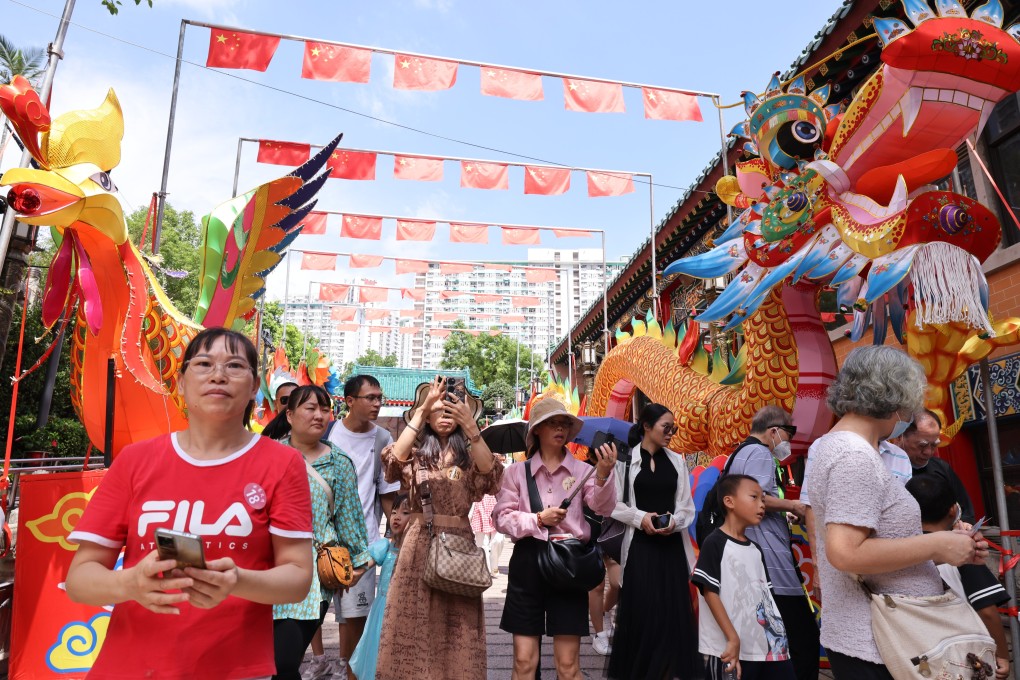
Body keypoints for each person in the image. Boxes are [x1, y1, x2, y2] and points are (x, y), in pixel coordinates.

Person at [65, 327, 314, 680]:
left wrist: (237, 580)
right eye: (203, 363)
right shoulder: (135, 460)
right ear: (181, 382)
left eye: (235, 366)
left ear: (255, 386)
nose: (218, 375)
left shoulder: (283, 464)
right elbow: (79, 579)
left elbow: (298, 577)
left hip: (234, 668)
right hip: (129, 666)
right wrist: (132, 582)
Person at [804, 345, 988, 680]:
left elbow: (878, 542)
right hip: (881, 642)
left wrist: (947, 548)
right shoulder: (853, 455)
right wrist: (936, 546)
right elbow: (846, 552)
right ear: (895, 397)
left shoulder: (844, 448)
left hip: (886, 636)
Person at [375, 377, 503, 679]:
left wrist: (472, 428)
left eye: (452, 410)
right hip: (418, 544)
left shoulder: (471, 454)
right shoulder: (417, 453)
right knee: (411, 620)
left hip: (459, 547)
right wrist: (421, 411)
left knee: (459, 626)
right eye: (437, 409)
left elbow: (491, 476)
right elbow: (393, 462)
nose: (444, 414)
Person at [495, 397, 617, 680]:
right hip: (528, 562)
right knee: (524, 662)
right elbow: (501, 517)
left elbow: (603, 507)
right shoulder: (515, 472)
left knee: (568, 666)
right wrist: (536, 519)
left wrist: (603, 476)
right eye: (552, 423)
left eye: (564, 424)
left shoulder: (583, 471)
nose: (560, 428)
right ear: (537, 429)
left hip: (568, 565)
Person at [262, 385, 373, 680]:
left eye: (325, 409)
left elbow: (349, 519)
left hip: (311, 576)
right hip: (265, 569)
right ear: (290, 415)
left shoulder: (339, 463)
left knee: (284, 662)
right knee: (278, 662)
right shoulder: (268, 456)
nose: (319, 415)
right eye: (310, 408)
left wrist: (357, 565)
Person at [607, 403, 703, 680]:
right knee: (644, 615)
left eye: (673, 428)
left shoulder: (677, 461)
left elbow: (687, 508)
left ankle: (664, 673)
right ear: (647, 427)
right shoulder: (625, 462)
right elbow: (613, 505)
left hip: (671, 548)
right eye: (666, 427)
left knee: (671, 619)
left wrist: (673, 521)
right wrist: (641, 518)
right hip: (640, 548)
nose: (671, 433)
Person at [724, 405, 818, 680]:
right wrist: (795, 506)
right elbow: (758, 498)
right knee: (803, 638)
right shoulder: (760, 453)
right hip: (771, 561)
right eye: (789, 434)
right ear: (775, 431)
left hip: (754, 555)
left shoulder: (740, 452)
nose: (789, 442)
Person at [326, 374, 398, 677]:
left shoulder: (382, 439)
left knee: (356, 621)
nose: (377, 404)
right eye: (370, 397)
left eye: (380, 397)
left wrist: (395, 535)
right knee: (315, 619)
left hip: (362, 547)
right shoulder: (328, 434)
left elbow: (387, 495)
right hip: (323, 544)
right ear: (349, 400)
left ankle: (351, 674)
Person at [906, 475, 1010, 680]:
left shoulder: (900, 550)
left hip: (918, 652)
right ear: (953, 510)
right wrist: (1002, 656)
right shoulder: (960, 549)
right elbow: (987, 610)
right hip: (963, 651)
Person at [692, 474, 796, 680]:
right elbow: (709, 592)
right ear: (729, 502)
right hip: (730, 649)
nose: (762, 504)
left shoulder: (756, 549)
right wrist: (732, 638)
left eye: (763, 499)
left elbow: (766, 599)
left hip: (769, 650)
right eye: (754, 497)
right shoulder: (715, 543)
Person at [349, 493, 410, 680]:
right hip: (382, 610)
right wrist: (351, 576)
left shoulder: (416, 551)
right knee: (375, 650)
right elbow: (362, 567)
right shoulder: (386, 546)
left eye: (405, 512)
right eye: (393, 512)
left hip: (405, 611)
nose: (397, 517)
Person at [897, 409, 976, 525]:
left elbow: (966, 512)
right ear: (900, 436)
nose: (928, 452)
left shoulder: (941, 468)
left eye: (934, 445)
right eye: (922, 446)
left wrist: (964, 525)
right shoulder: (886, 466)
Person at [469, 493, 504, 575]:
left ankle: (494, 567)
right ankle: (486, 571)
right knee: (482, 545)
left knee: (498, 541)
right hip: (479, 504)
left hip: (496, 504)